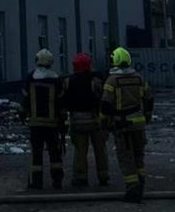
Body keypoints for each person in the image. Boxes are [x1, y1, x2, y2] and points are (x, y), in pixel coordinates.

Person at [101, 46, 154, 203]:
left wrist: (104, 123)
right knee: (139, 155)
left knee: (125, 157)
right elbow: (149, 98)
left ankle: (132, 189)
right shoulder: (139, 78)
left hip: (121, 125)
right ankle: (141, 184)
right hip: (139, 125)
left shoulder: (112, 81)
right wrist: (147, 116)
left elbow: (105, 104)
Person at [21, 48, 66, 190]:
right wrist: (63, 121)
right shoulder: (57, 80)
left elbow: (24, 100)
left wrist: (22, 115)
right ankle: (57, 180)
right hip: (52, 124)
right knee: (55, 153)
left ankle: (36, 181)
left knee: (36, 152)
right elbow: (62, 103)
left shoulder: (30, 78)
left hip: (35, 123)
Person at [63, 52, 109, 188]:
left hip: (77, 122)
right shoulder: (96, 80)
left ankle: (80, 177)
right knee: (100, 150)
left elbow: (65, 102)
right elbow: (102, 98)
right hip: (95, 121)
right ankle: (103, 176)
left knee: (80, 152)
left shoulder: (68, 81)